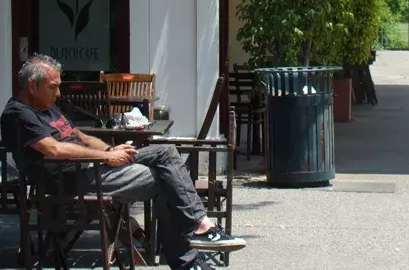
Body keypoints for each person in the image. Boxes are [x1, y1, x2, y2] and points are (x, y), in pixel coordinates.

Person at [0, 54, 246, 270]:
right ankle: (190, 257)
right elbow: (53, 149)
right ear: (32, 86)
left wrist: (111, 148)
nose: (59, 93)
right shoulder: (18, 114)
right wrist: (107, 157)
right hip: (71, 181)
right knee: (164, 179)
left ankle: (200, 225)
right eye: (53, 87)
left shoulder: (48, 108)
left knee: (165, 153)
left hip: (90, 169)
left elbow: (81, 137)